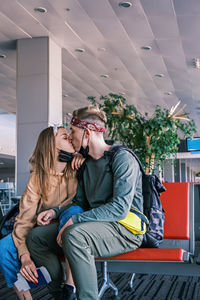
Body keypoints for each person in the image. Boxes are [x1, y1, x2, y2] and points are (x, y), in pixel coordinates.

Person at [27, 105, 144, 300]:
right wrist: (55, 212)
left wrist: (75, 221)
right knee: (36, 237)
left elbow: (120, 208)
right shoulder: (86, 164)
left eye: (73, 132)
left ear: (87, 132)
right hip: (94, 227)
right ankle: (60, 293)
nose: (71, 138)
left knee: (74, 234)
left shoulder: (123, 158)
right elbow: (79, 200)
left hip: (125, 229)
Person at [0, 125, 82, 300]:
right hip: (43, 233)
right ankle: (26, 297)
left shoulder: (79, 166)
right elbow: (24, 219)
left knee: (73, 210)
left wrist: (82, 156)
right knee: (4, 248)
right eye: (64, 137)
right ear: (52, 147)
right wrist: (24, 256)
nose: (70, 138)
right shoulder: (37, 177)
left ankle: (70, 288)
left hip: (71, 227)